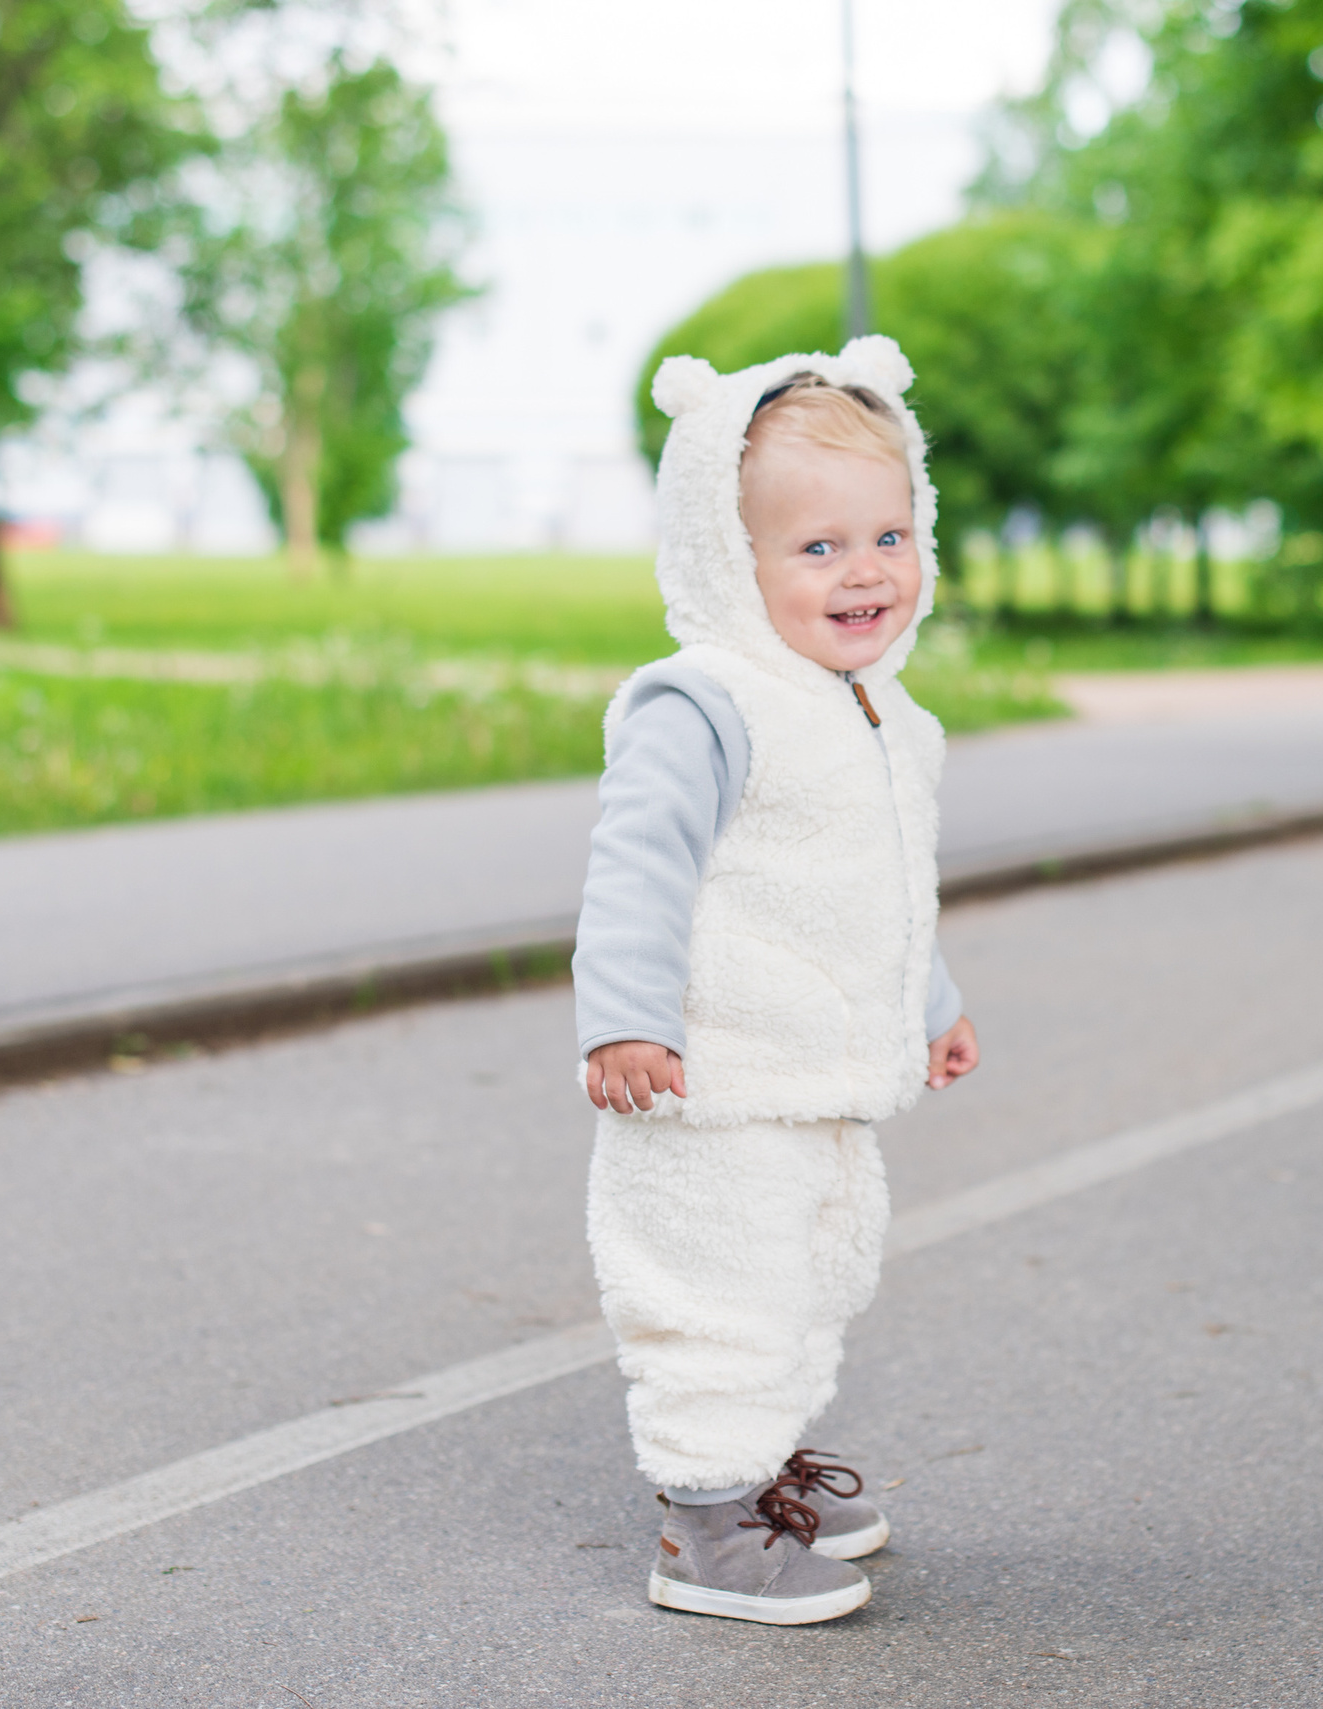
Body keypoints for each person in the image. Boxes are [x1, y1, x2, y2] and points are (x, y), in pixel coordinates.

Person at [571, 336, 981, 1626]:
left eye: (889, 536)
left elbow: (880, 892)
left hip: (818, 1074)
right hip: (713, 1073)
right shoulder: (705, 703)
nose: (865, 572)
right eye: (816, 549)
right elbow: (636, 867)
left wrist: (932, 1003)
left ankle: (761, 1471)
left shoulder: (879, 712)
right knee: (719, 1286)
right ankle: (706, 1526)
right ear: (723, 560)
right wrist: (627, 1018)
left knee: (811, 1276)